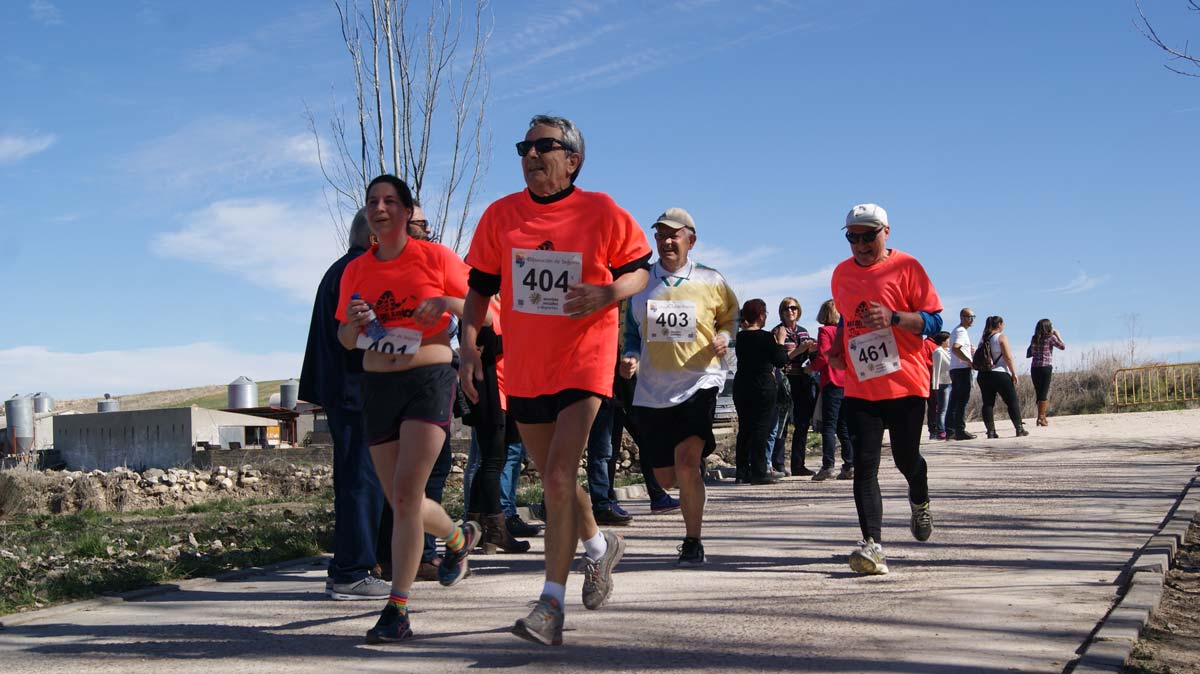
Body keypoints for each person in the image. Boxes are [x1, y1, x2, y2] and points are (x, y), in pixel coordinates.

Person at [460, 114, 651, 646]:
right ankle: (599, 549)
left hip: (585, 359)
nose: (531, 154)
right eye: (525, 146)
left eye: (545, 145)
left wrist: (609, 293)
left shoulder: (601, 210)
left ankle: (550, 604)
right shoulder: (500, 216)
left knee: (561, 477)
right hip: (525, 366)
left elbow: (639, 267)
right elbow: (478, 290)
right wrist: (468, 350)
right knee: (556, 483)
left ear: (573, 159)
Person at [337, 174, 484, 643]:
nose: (379, 208)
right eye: (372, 201)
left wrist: (445, 301)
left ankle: (396, 610)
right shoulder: (356, 270)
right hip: (378, 385)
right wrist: (355, 324)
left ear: (406, 210)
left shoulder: (436, 257)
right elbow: (343, 337)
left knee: (405, 492)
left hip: (428, 379)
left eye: (389, 201)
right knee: (404, 500)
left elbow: (484, 309)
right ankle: (458, 540)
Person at [828, 203, 943, 575]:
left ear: (886, 232)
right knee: (864, 466)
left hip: (906, 382)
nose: (860, 244)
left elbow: (934, 320)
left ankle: (920, 499)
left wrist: (893, 318)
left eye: (868, 236)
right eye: (853, 238)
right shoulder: (840, 274)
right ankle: (872, 545)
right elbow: (846, 319)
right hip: (861, 387)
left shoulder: (907, 267)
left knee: (906, 459)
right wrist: (837, 349)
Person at [620, 207, 739, 566]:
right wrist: (630, 356)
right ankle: (689, 488)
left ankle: (692, 540)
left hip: (700, 380)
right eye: (660, 235)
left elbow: (730, 316)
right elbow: (630, 331)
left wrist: (724, 336)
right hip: (653, 390)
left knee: (687, 464)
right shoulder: (640, 283)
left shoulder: (710, 279)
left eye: (674, 235)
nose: (667, 241)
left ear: (691, 239)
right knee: (666, 477)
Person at [299, 208, 390, 600]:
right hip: (356, 391)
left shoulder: (341, 269)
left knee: (360, 479)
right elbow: (374, 334)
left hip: (345, 390)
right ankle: (351, 570)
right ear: (373, 238)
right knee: (361, 481)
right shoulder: (360, 271)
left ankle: (355, 565)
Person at [733, 299, 789, 485]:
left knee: (745, 428)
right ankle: (758, 471)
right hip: (762, 386)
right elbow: (780, 360)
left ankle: (742, 471)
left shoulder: (740, 337)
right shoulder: (765, 337)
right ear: (761, 315)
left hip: (742, 385)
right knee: (761, 428)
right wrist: (780, 340)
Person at [808, 299, 854, 481]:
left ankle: (828, 465)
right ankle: (849, 464)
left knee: (829, 425)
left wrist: (810, 367)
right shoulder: (846, 331)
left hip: (832, 381)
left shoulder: (825, 331)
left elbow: (824, 356)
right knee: (844, 426)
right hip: (847, 382)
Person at [772, 298, 819, 476]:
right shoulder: (778, 332)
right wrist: (799, 350)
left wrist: (811, 351)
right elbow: (779, 358)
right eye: (786, 308)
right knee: (782, 423)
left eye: (793, 308)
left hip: (803, 380)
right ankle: (778, 463)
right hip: (785, 380)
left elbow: (807, 355)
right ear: (781, 312)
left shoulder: (804, 332)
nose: (790, 311)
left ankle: (798, 464)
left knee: (802, 423)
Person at [976, 315, 1030, 439]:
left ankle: (991, 431)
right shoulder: (1001, 337)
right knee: (1011, 401)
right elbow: (1008, 357)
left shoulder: (982, 339)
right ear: (999, 324)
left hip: (983, 374)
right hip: (999, 373)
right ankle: (1019, 428)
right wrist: (1013, 373)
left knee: (988, 403)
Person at [945, 308, 978, 440]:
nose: (971, 320)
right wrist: (968, 360)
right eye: (969, 317)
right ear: (962, 317)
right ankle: (959, 429)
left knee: (954, 400)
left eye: (973, 317)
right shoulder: (961, 331)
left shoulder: (958, 331)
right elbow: (955, 348)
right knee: (961, 401)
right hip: (961, 369)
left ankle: (951, 430)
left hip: (956, 369)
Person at [1027, 319, 1066, 426]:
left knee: (1039, 392)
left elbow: (1031, 351)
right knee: (1044, 393)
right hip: (1045, 367)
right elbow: (1062, 347)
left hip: (1034, 367)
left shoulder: (1034, 338)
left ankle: (1041, 417)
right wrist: (1058, 336)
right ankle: (1041, 417)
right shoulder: (1051, 338)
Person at [927, 331, 952, 440]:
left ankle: (946, 429)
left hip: (949, 381)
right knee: (940, 408)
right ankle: (939, 431)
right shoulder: (936, 350)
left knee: (946, 407)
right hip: (940, 382)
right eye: (948, 339)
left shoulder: (947, 351)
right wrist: (935, 385)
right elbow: (935, 369)